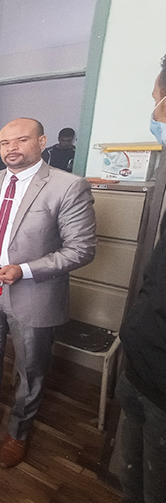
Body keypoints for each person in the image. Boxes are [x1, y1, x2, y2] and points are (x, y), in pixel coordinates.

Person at [0, 117, 96, 468]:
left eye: (21, 140)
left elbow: (82, 249)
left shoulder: (67, 186)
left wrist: (24, 270)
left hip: (34, 292)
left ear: (42, 142)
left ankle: (18, 431)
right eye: (5, 142)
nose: (11, 148)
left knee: (31, 368)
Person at [116, 54, 166, 503]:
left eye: (158, 101)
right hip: (141, 360)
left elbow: (80, 248)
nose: (155, 114)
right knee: (133, 480)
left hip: (160, 379)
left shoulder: (66, 186)